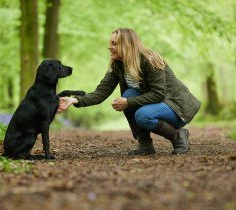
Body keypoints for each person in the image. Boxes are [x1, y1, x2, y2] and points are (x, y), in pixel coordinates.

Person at [58, 28, 201, 156]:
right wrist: (74, 100)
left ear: (126, 45)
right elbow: (101, 92)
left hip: (176, 107)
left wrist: (128, 102)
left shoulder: (149, 60)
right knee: (128, 95)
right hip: (158, 104)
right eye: (110, 43)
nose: (110, 47)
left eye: (114, 44)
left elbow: (158, 94)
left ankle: (178, 136)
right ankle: (145, 146)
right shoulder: (118, 65)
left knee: (141, 114)